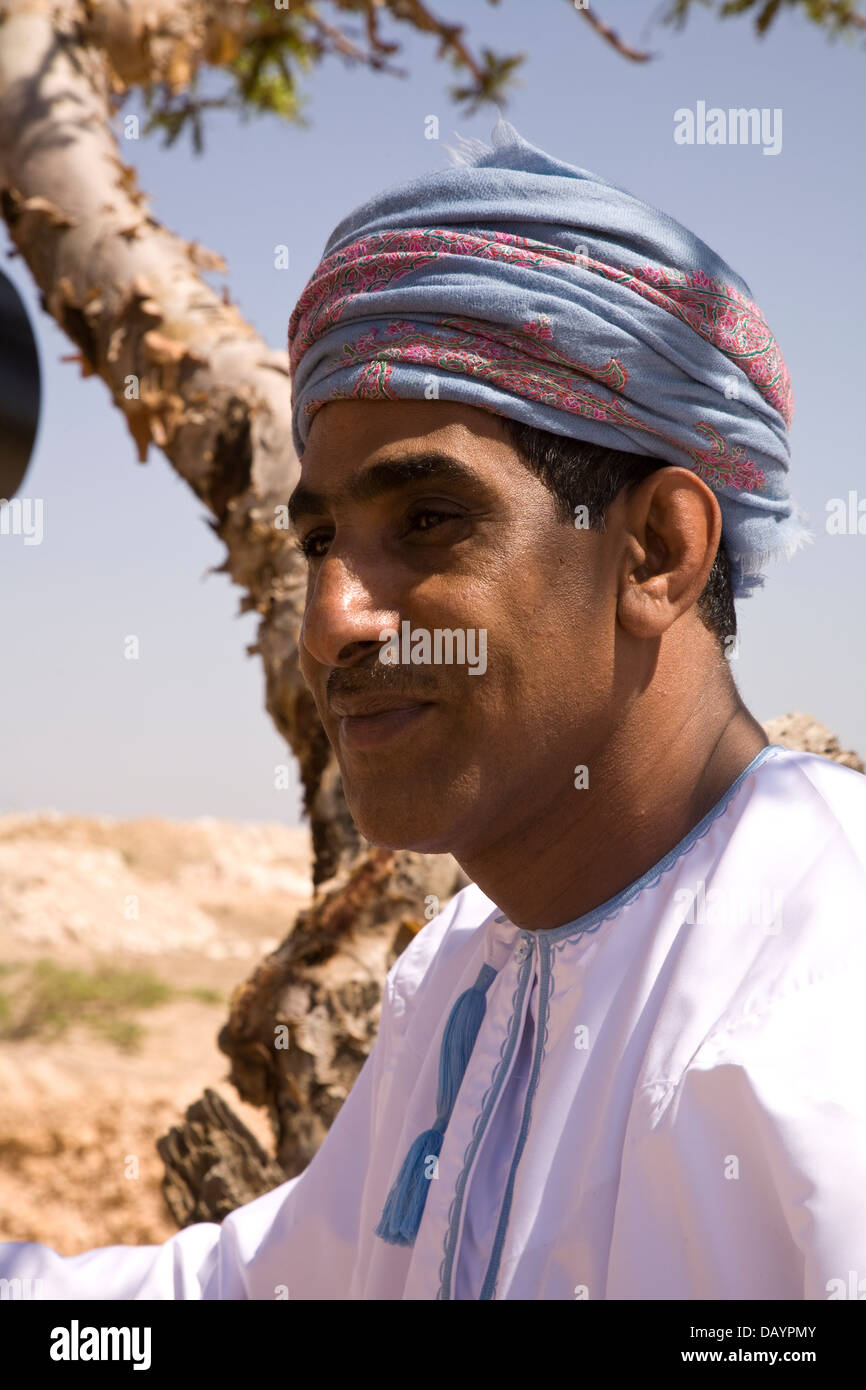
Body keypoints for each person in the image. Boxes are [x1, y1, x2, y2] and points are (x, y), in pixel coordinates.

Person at [3, 121, 865, 1301]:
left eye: (426, 522)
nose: (330, 621)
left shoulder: (823, 1000)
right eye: (318, 539)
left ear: (656, 552)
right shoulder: (468, 965)